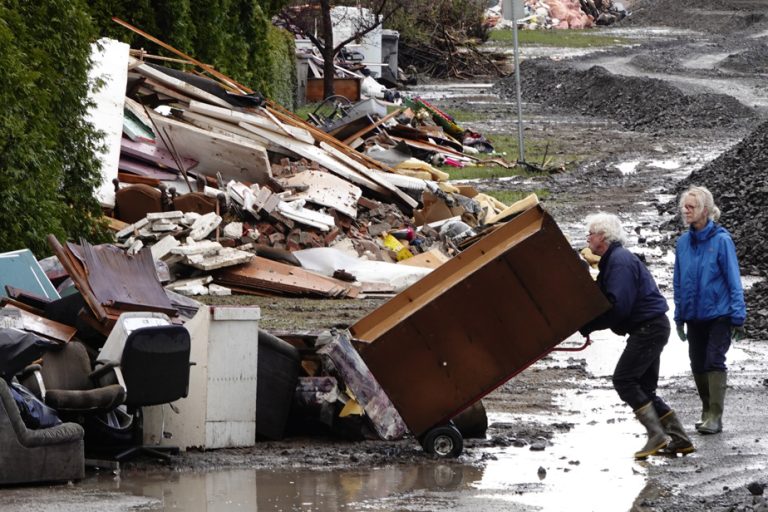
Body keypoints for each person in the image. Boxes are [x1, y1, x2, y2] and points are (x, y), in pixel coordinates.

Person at [579, 213, 694, 458]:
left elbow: (618, 307)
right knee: (645, 388)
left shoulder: (619, 262)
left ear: (603, 236)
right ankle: (681, 440)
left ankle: (657, 435)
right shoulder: (613, 261)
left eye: (591, 233)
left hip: (648, 328)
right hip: (652, 327)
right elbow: (605, 298)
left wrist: (589, 326)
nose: (587, 238)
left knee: (624, 380)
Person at [674, 186, 746, 435]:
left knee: (714, 360)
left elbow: (734, 280)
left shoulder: (722, 240)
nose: (686, 210)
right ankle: (706, 410)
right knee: (697, 361)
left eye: (691, 207)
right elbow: (678, 280)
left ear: (705, 210)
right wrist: (679, 316)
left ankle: (715, 416)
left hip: (719, 314)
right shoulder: (683, 243)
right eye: (684, 206)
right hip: (694, 314)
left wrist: (738, 316)